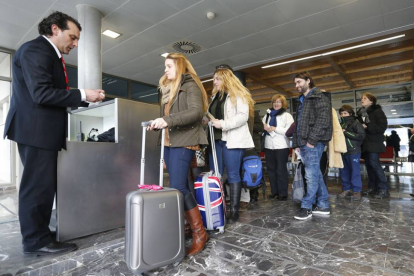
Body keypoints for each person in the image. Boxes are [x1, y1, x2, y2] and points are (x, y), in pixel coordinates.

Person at [3, 11, 105, 255]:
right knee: (37, 187)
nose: (75, 43)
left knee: (43, 186)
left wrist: (81, 100)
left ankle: (39, 234)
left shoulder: (48, 54)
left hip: (39, 130)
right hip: (36, 130)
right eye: (73, 37)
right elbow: (42, 94)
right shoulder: (36, 50)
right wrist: (83, 94)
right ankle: (35, 240)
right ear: (55, 29)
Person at [147, 53, 209, 256]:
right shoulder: (168, 90)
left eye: (168, 66)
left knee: (179, 186)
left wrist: (167, 120)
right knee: (178, 186)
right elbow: (170, 118)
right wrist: (159, 123)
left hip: (185, 140)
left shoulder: (190, 85)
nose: (165, 70)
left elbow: (196, 112)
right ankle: (189, 228)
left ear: (180, 67)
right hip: (170, 142)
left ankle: (200, 233)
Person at [206, 67, 255, 224]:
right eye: (214, 79)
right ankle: (219, 207)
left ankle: (234, 211)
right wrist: (207, 121)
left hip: (232, 140)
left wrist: (222, 124)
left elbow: (243, 116)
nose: (214, 82)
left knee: (233, 175)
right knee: (216, 175)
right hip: (216, 141)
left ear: (226, 79)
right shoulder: (214, 96)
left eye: (217, 79)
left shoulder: (238, 94)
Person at [292, 72, 332, 220]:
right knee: (315, 174)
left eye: (299, 82)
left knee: (310, 175)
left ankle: (307, 206)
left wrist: (311, 141)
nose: (297, 85)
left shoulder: (319, 97)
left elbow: (323, 120)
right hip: (304, 143)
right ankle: (323, 204)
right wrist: (296, 144)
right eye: (295, 83)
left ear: (308, 81)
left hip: (313, 143)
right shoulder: (302, 100)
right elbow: (298, 124)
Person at [357, 92, 389, 199]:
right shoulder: (361, 113)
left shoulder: (377, 111)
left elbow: (382, 126)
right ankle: (372, 187)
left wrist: (367, 127)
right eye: (361, 98)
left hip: (374, 142)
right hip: (365, 143)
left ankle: (384, 189)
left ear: (371, 101)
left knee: (375, 165)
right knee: (369, 166)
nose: (362, 100)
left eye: (365, 98)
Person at [263, 95, 294, 201]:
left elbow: (289, 131)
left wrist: (275, 129)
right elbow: (264, 126)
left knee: (281, 170)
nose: (276, 104)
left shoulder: (287, 115)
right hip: (268, 145)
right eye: (274, 102)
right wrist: (265, 128)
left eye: (279, 102)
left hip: (281, 146)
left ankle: (283, 193)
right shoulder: (268, 115)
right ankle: (274, 192)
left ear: (283, 104)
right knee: (271, 170)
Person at [337, 105, 365, 201]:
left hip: (353, 151)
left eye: (345, 113)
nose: (342, 115)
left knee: (355, 171)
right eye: (341, 113)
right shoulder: (340, 125)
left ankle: (357, 191)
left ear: (350, 114)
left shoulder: (356, 123)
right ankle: (346, 189)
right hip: (342, 151)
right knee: (344, 172)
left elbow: (361, 136)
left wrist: (346, 132)